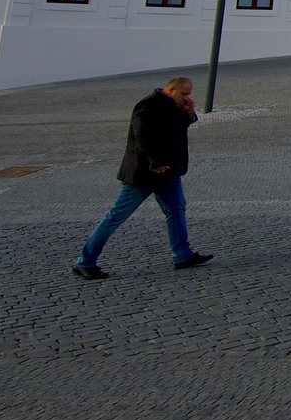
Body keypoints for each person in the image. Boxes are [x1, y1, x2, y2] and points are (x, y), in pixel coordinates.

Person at [73, 76, 213, 278]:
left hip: (169, 173)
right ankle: (85, 261)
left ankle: (182, 255)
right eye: (183, 94)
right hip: (145, 174)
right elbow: (142, 135)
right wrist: (156, 161)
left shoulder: (173, 105)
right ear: (170, 89)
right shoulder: (148, 105)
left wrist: (189, 112)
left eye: (188, 95)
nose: (185, 98)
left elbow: (179, 128)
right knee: (116, 217)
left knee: (176, 210)